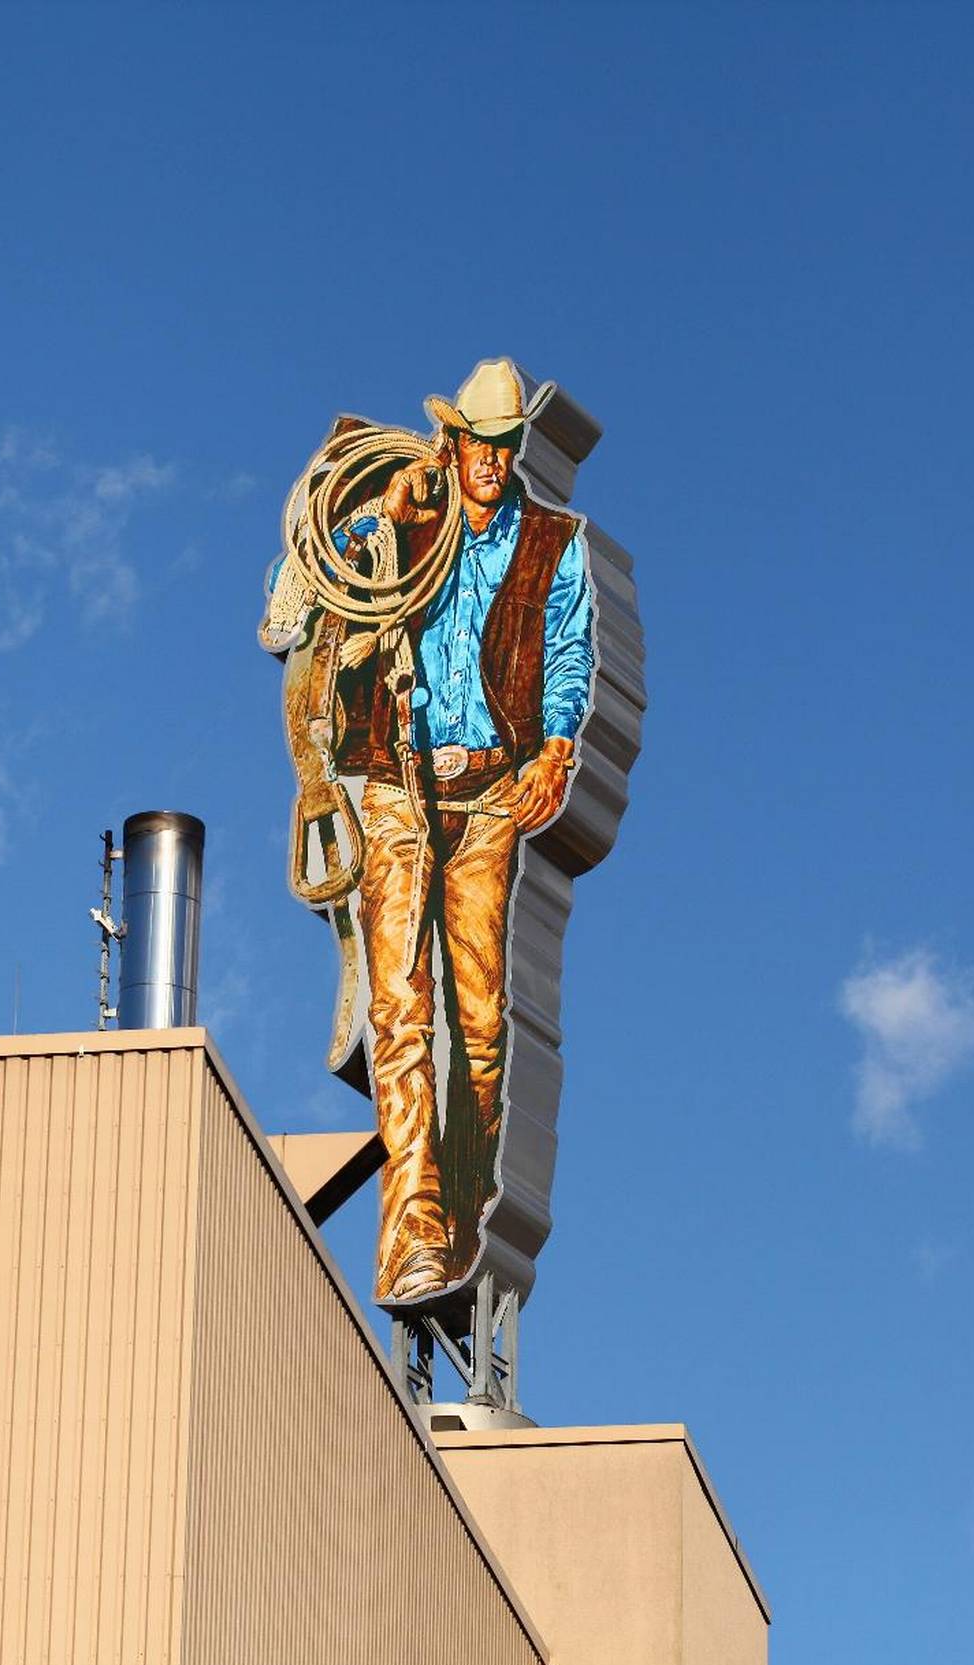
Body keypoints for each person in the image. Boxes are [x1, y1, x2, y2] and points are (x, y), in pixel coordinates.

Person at [329, 358, 595, 1305]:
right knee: (401, 1008)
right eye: (478, 443)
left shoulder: (549, 544)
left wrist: (556, 746)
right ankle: (413, 1225)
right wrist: (387, 518)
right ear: (454, 441)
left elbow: (567, 652)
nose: (491, 460)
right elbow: (300, 590)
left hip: (487, 796)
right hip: (397, 778)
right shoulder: (409, 515)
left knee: (480, 1022)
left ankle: (464, 1190)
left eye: (505, 444)